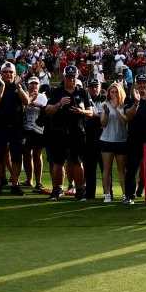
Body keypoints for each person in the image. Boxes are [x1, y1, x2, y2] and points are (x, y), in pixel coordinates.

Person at [42, 65, 92, 201]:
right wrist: (59, 104)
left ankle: (80, 191)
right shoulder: (56, 92)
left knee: (77, 161)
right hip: (60, 132)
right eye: (69, 77)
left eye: (73, 77)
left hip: (77, 132)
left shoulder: (83, 92)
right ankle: (56, 189)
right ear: (64, 77)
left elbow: (91, 112)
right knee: (58, 162)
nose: (71, 79)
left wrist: (81, 111)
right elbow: (48, 110)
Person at [0, 64, 29, 195]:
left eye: (11, 72)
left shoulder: (20, 86)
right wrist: (3, 86)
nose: (8, 74)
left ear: (15, 74)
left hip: (16, 127)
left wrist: (18, 86)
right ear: (1, 74)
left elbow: (26, 101)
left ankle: (15, 185)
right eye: (5, 72)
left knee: (16, 157)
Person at [123, 73, 146, 204]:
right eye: (139, 82)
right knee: (132, 167)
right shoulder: (130, 98)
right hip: (135, 136)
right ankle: (129, 195)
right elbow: (129, 115)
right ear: (136, 84)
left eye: (144, 82)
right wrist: (137, 102)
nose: (142, 85)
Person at [97, 82, 129, 202]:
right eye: (112, 92)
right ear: (109, 93)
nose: (114, 94)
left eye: (116, 92)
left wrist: (116, 108)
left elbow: (124, 121)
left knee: (121, 169)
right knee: (106, 168)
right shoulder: (104, 105)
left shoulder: (124, 105)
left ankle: (125, 194)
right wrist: (107, 112)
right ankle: (107, 194)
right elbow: (103, 123)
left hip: (121, 140)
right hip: (107, 140)